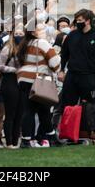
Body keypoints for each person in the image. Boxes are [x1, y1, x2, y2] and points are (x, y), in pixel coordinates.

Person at [17, 20, 61, 148]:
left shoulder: (23, 44)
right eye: (41, 28)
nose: (44, 31)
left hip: (24, 80)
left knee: (33, 110)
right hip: (38, 81)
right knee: (43, 110)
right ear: (34, 31)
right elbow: (55, 63)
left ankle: (27, 139)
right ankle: (51, 138)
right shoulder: (42, 43)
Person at [59, 9, 95, 108]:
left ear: (88, 21)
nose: (78, 22)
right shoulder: (72, 35)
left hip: (88, 77)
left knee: (88, 108)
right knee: (67, 106)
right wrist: (61, 70)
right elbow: (64, 54)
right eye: (77, 20)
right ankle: (69, 124)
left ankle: (85, 124)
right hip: (71, 76)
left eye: (80, 20)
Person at [0, 28, 24, 149]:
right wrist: (13, 70)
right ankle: (8, 142)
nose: (19, 36)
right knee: (10, 113)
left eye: (21, 34)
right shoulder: (7, 49)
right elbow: (0, 66)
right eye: (17, 34)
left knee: (19, 113)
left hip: (21, 82)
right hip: (10, 81)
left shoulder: (25, 49)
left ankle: (15, 141)